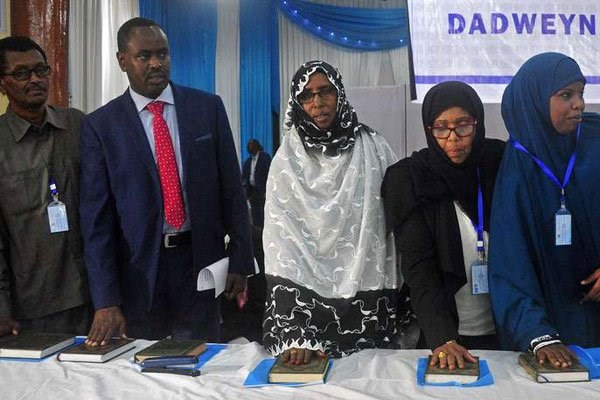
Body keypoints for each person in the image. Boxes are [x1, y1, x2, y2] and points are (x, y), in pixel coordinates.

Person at [79, 18, 253, 345]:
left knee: (203, 357)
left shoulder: (208, 108)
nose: (156, 63)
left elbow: (232, 190)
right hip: (140, 274)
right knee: (144, 364)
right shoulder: (101, 126)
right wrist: (105, 299)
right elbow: (96, 222)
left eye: (162, 53)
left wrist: (241, 260)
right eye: (144, 56)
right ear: (122, 61)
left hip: (201, 264)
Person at [262, 60, 398, 364]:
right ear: (297, 103)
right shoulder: (286, 161)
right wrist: (295, 330)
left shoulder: (374, 147)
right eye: (307, 96)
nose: (318, 103)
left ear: (340, 94)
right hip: (303, 298)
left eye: (326, 91)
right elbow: (280, 243)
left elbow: (393, 220)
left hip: (364, 282)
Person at [382, 81, 505, 370]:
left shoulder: (499, 164)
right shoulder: (411, 179)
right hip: (446, 334)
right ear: (429, 129)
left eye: (463, 126)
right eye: (441, 128)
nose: (453, 139)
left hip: (506, 330)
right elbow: (418, 268)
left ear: (477, 123)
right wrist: (443, 337)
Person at [489, 52, 600, 368]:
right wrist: (538, 334)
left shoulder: (595, 140)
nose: (579, 104)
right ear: (535, 100)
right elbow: (510, 262)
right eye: (566, 95)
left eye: (581, 93)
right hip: (553, 319)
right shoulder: (519, 166)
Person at [0, 36, 90, 336]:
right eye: (22, 73)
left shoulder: (77, 125)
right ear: (2, 84)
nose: (35, 79)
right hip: (36, 305)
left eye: (41, 70)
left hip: (96, 295)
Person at [242, 139, 271, 228]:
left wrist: (268, 190)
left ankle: (263, 231)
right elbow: (243, 176)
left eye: (251, 146)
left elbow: (269, 173)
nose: (249, 148)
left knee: (263, 213)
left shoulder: (265, 158)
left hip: (262, 190)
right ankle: (257, 231)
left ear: (256, 147)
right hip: (252, 191)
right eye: (249, 146)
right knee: (255, 214)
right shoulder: (248, 162)